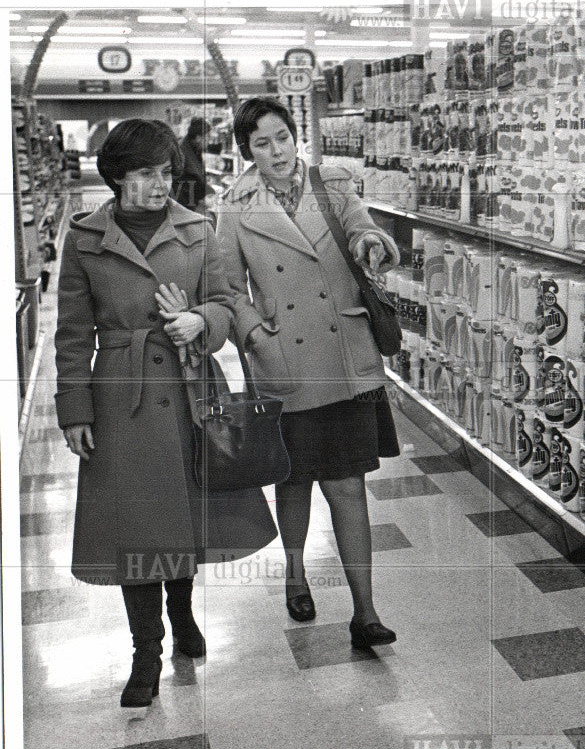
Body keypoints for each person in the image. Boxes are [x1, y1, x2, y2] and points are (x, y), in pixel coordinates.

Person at [54, 119, 278, 708]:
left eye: (167, 172)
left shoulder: (198, 230)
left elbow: (229, 303)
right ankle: (145, 653)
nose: (162, 185)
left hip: (189, 393)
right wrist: (74, 408)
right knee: (137, 526)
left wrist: (203, 321)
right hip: (120, 398)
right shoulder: (84, 238)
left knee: (183, 510)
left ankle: (182, 615)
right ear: (118, 176)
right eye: (148, 173)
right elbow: (73, 334)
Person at [216, 97, 400, 647]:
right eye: (261, 143)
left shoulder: (333, 183)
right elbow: (228, 288)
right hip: (284, 360)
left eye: (282, 138)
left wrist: (372, 243)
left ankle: (365, 611)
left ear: (297, 136)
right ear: (246, 151)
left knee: (348, 485)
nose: (276, 151)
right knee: (293, 481)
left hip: (344, 355)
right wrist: (255, 336)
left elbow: (363, 228)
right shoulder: (234, 206)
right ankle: (295, 571)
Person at [172, 116, 214, 213]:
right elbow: (182, 182)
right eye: (208, 137)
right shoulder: (182, 151)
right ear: (199, 138)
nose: (209, 141)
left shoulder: (193, 148)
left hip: (190, 203)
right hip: (183, 206)